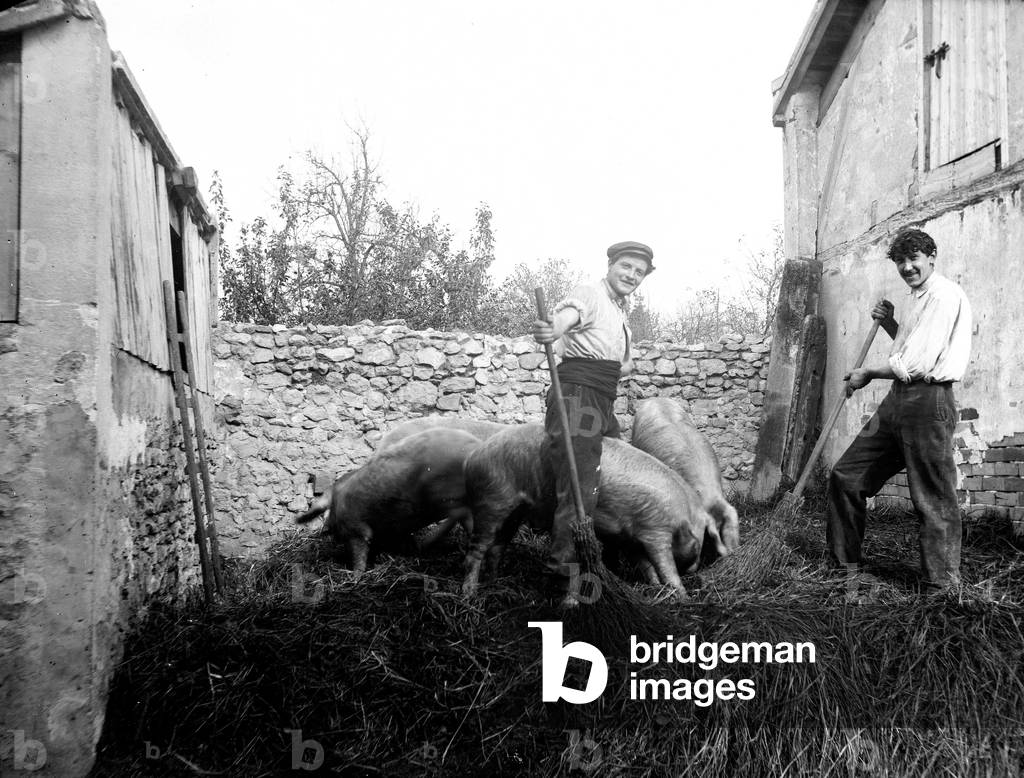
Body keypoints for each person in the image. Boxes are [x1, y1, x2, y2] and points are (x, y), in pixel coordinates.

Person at [827, 227, 971, 592]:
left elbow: (919, 363)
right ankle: (846, 567)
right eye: (901, 261)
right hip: (899, 400)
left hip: (929, 402)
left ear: (931, 258)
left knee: (932, 497)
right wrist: (892, 322)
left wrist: (867, 373)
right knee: (847, 475)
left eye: (914, 259)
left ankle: (942, 588)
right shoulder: (917, 298)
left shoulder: (944, 296)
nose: (907, 267)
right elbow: (910, 349)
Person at [531, 241, 654, 591]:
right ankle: (563, 574)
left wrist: (623, 367)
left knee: (618, 475)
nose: (631, 275)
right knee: (580, 484)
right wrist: (552, 329)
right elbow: (565, 318)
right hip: (576, 397)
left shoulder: (620, 312)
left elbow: (617, 362)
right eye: (626, 266)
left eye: (639, 272)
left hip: (602, 398)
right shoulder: (590, 293)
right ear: (611, 265)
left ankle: (608, 559)